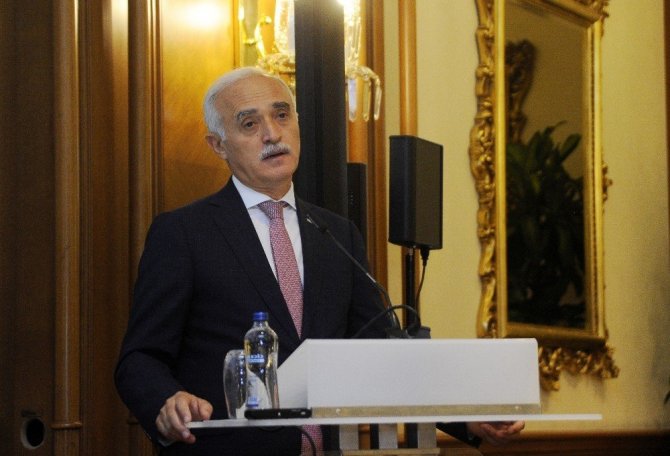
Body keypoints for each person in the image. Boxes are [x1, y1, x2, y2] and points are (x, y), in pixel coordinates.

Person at [114, 67, 524, 455]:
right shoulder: (184, 233)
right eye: (250, 124)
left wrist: (465, 415)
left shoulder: (336, 234)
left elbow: (379, 353)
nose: (273, 134)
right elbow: (140, 358)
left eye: (282, 115)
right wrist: (167, 401)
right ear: (218, 145)